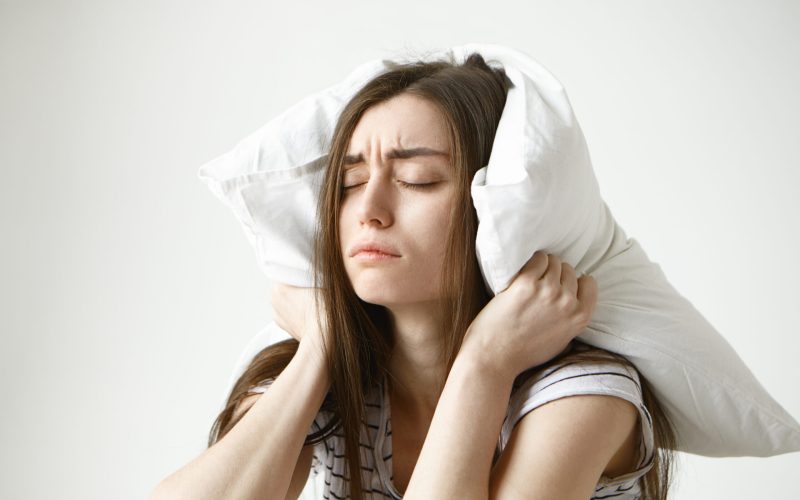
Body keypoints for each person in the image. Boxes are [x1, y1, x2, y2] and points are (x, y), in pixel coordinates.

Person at [150, 53, 675, 500]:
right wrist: (322, 346)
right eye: (351, 182)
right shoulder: (327, 380)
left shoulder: (584, 395)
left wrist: (485, 363)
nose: (369, 210)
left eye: (415, 180)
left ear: (492, 210)